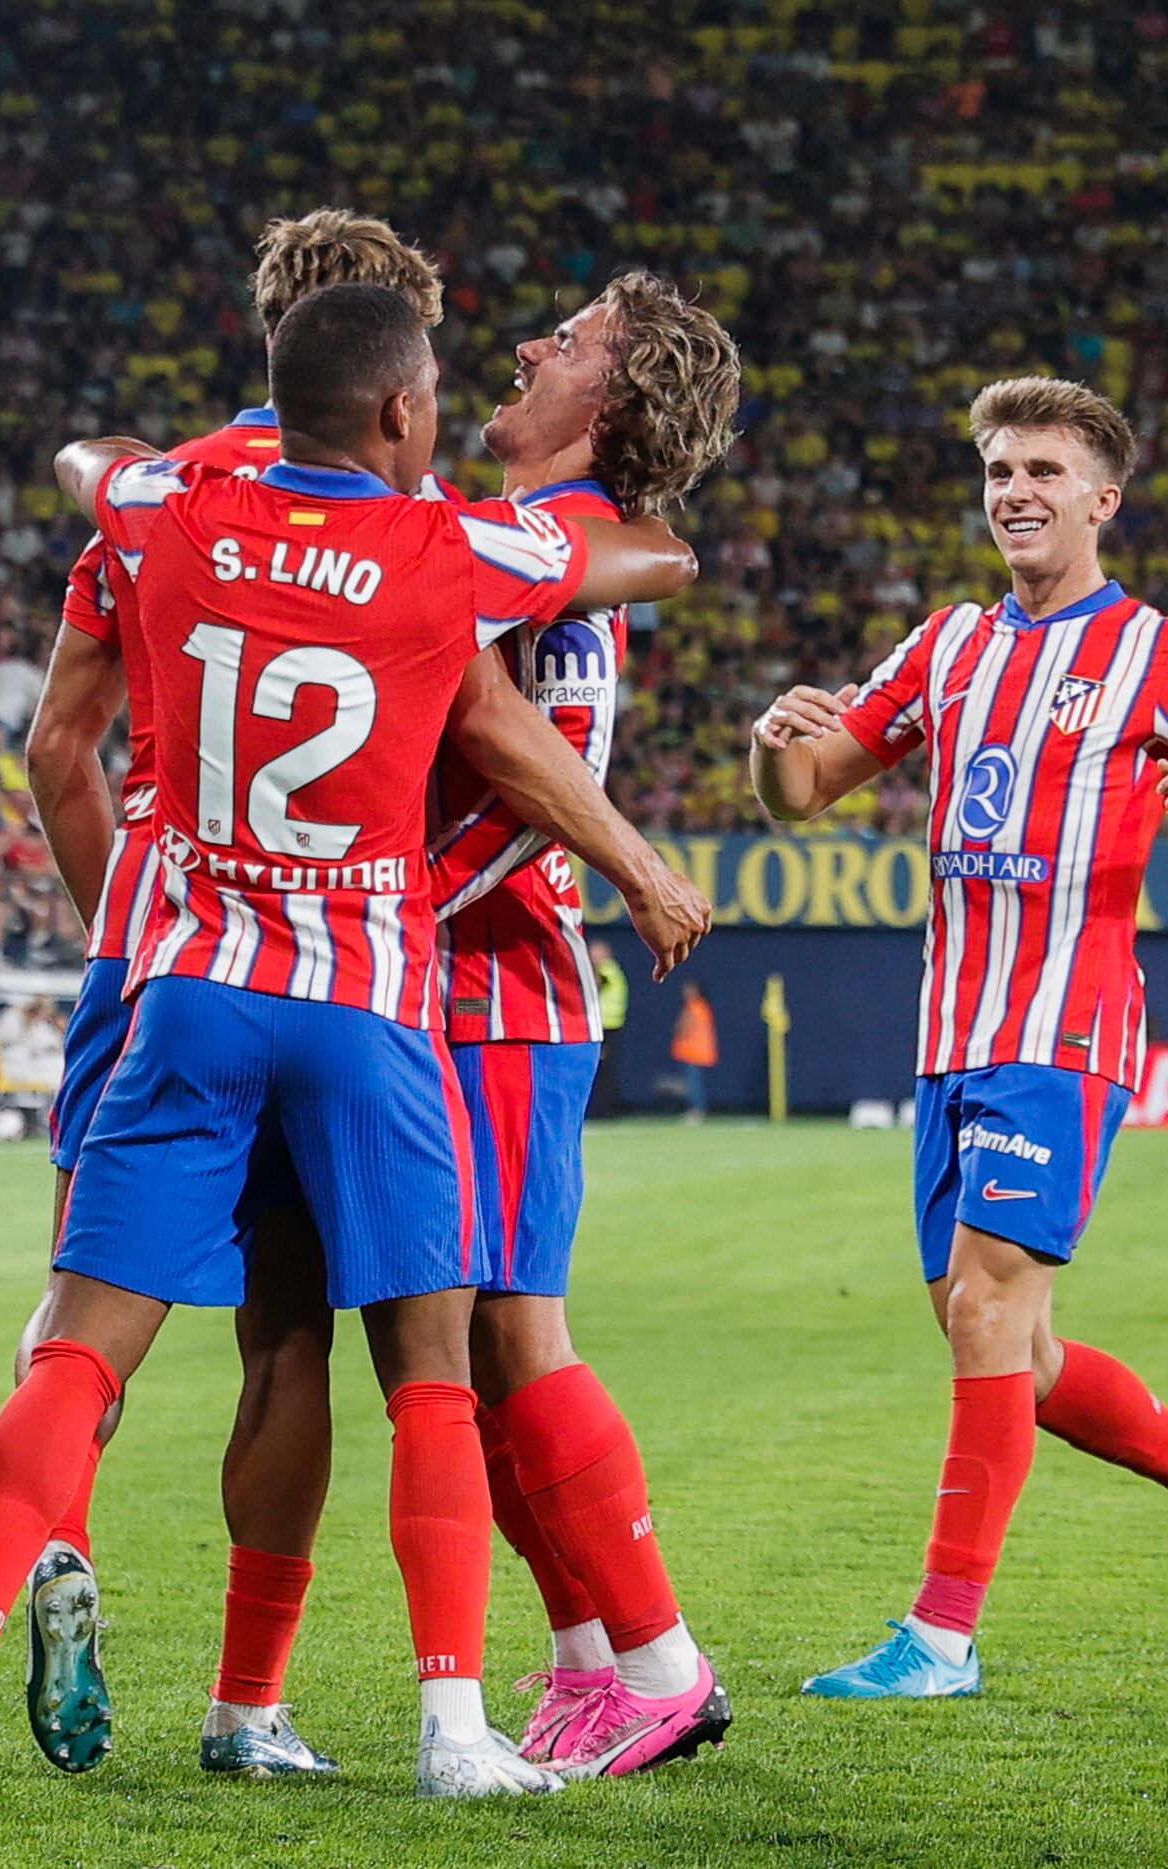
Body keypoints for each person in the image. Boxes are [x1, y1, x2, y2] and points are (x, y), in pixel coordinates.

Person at [0, 281, 710, 1805]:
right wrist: (643, 863)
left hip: (182, 980)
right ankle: (454, 1720)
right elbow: (634, 568)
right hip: (373, 1003)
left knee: (86, 1345)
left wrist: (125, 458)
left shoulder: (166, 512)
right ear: (399, 410)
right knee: (435, 1371)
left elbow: (83, 499)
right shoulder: (442, 550)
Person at [747, 375, 1168, 1697]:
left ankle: (938, 1638)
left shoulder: (1164, 652)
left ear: (1099, 500)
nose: (1014, 490)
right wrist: (771, 744)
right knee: (997, 1334)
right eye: (1000, 469)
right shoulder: (942, 645)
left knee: (992, 1302)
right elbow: (802, 795)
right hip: (950, 1034)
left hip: (1064, 1029)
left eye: (1044, 472)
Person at [14, 208, 459, 1780]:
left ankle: (48, 1542)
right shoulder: (424, 522)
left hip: (155, 948)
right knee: (291, 1342)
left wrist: (119, 936)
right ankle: (249, 1702)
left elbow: (57, 748)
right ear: (392, 374)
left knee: (83, 1308)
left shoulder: (160, 501)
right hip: (330, 959)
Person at [418, 271, 743, 1777]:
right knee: (468, 1345)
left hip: (498, 977)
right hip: (451, 980)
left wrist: (390, 901)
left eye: (574, 341)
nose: (533, 345)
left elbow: (527, 786)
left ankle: (662, 1659)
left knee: (510, 1328)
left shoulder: (557, 549)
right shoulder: (523, 541)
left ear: (604, 403)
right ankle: (583, 1658)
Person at [587, 939, 628, 1118]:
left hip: (606, 1027)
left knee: (602, 1071)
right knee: (604, 1070)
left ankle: (604, 1112)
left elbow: (595, 983)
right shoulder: (615, 971)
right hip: (609, 1026)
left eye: (594, 952)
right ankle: (605, 1110)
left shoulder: (606, 970)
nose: (590, 955)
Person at [669, 979, 718, 1123]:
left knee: (693, 1084)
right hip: (693, 1052)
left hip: (693, 1052)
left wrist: (677, 1027)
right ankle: (697, 1109)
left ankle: (697, 1111)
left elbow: (683, 1027)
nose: (685, 992)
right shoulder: (702, 1007)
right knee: (693, 1083)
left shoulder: (695, 1007)